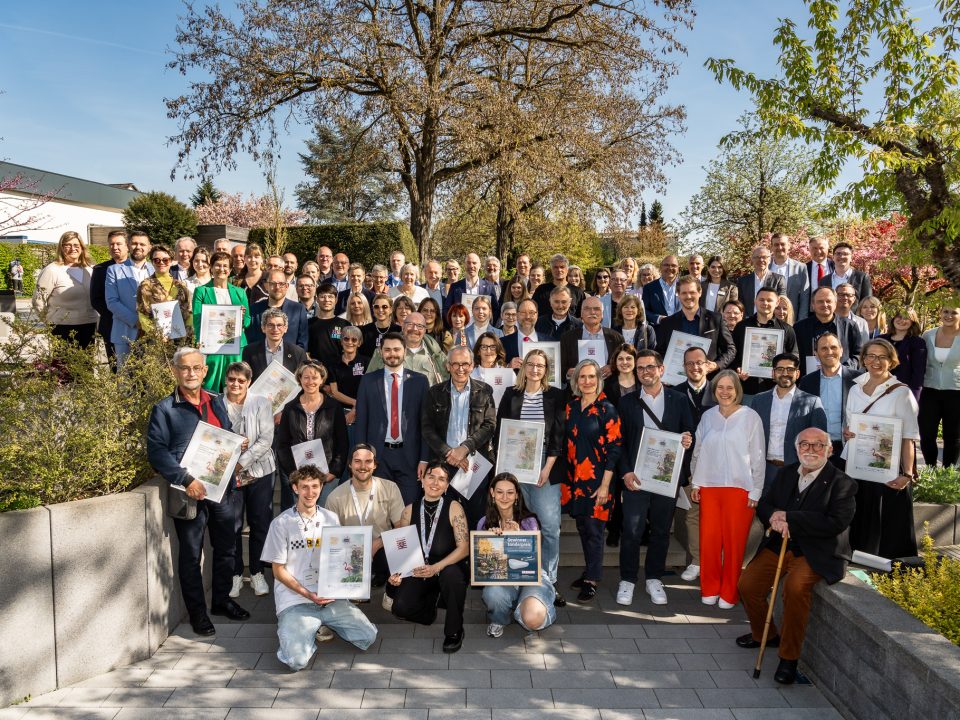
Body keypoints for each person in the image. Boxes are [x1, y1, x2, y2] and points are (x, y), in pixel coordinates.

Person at [737, 427, 857, 685]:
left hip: (815, 550)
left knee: (794, 589)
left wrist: (790, 517)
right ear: (797, 448)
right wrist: (773, 517)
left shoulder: (843, 483)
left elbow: (836, 522)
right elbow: (766, 504)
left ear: (829, 450)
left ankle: (789, 658)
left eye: (818, 445)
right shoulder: (787, 473)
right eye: (805, 444)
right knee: (747, 585)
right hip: (780, 544)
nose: (811, 450)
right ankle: (766, 636)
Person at [146, 347, 250, 636]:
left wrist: (236, 443)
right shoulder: (165, 409)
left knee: (227, 548)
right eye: (184, 368)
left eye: (196, 368)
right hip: (189, 492)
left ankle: (221, 600)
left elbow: (224, 432)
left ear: (205, 371)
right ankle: (198, 613)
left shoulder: (216, 401)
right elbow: (157, 452)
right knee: (192, 555)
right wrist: (186, 479)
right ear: (175, 371)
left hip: (221, 489)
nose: (190, 373)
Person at [261, 465, 378, 670]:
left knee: (367, 636)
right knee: (296, 661)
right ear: (295, 488)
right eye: (304, 487)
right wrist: (308, 594)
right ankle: (302, 630)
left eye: (315, 486)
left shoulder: (330, 518)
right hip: (296, 600)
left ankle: (317, 624)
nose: (310, 492)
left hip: (329, 598)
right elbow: (278, 571)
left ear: (321, 487)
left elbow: (341, 557)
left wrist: (351, 584)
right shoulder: (281, 523)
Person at [615, 349, 695, 606]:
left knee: (661, 531)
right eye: (640, 368)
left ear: (661, 369)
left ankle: (654, 578)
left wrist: (687, 440)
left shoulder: (679, 399)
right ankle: (627, 579)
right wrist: (625, 472)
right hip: (636, 478)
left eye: (650, 367)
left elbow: (689, 433)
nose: (645, 372)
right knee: (632, 530)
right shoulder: (627, 403)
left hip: (665, 478)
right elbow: (619, 442)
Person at [495, 349, 566, 606]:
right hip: (514, 464)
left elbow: (559, 435)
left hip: (545, 463)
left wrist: (547, 468)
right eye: (531, 364)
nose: (535, 369)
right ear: (523, 367)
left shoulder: (556, 395)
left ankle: (548, 581)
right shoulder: (511, 394)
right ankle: (515, 579)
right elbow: (501, 431)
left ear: (546, 370)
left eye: (540, 365)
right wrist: (504, 471)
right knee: (513, 523)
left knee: (549, 526)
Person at [690, 370, 765, 608]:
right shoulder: (708, 416)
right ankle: (710, 587)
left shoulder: (750, 417)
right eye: (720, 387)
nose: (724, 392)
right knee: (709, 542)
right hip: (709, 488)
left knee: (734, 544)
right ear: (714, 391)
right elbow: (698, 451)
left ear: (737, 390)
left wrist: (756, 491)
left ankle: (729, 592)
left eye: (729, 387)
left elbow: (758, 457)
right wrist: (695, 482)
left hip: (740, 489)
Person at [842, 339, 920, 558]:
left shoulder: (901, 393)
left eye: (882, 357)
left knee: (888, 529)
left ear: (891, 361)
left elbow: (908, 436)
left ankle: (891, 572)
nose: (876, 361)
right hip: (857, 467)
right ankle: (859, 565)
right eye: (871, 356)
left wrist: (907, 474)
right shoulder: (855, 389)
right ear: (864, 359)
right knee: (861, 521)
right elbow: (850, 425)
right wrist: (848, 432)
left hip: (887, 470)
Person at [387, 462, 470, 653]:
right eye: (431, 477)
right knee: (400, 608)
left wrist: (436, 568)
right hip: (419, 568)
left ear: (447, 485)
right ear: (422, 480)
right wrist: (398, 574)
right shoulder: (408, 511)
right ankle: (429, 609)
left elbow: (464, 548)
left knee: (452, 577)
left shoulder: (454, 507)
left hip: (448, 565)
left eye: (441, 479)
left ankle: (454, 630)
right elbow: (402, 550)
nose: (435, 483)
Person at [562, 359, 622, 601]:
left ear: (599, 380)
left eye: (591, 377)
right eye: (582, 377)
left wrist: (605, 485)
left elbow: (615, 449)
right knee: (582, 527)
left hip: (599, 480)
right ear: (576, 381)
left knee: (594, 530)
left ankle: (592, 579)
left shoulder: (607, 409)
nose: (587, 381)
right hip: (575, 481)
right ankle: (590, 569)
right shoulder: (571, 407)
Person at [421, 346, 497, 526]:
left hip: (474, 464)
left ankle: (473, 546)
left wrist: (464, 448)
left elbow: (490, 425)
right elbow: (427, 428)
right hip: (443, 463)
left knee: (476, 517)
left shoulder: (485, 391)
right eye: (455, 364)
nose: (460, 368)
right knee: (445, 518)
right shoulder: (434, 392)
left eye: (465, 364)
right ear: (448, 366)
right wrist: (449, 453)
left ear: (472, 366)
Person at [354, 333, 430, 504]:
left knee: (408, 508)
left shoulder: (420, 381)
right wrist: (362, 455)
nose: (392, 354)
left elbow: (425, 424)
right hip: (378, 457)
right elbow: (361, 422)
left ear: (405, 351)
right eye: (387, 350)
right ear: (380, 352)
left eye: (396, 349)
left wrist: (424, 458)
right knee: (379, 510)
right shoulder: (368, 381)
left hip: (410, 457)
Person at [479, 473, 557, 637]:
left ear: (516, 496)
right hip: (502, 579)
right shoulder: (484, 523)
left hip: (532, 578)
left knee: (532, 619)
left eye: (510, 492)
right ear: (492, 493)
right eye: (500, 492)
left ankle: (525, 607)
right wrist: (493, 541)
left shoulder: (529, 521)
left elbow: (532, 561)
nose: (504, 497)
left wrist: (518, 535)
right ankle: (499, 619)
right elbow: (485, 569)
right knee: (493, 593)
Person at [222, 361, 276, 599]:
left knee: (259, 522)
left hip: (260, 471)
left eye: (241, 381)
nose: (235, 384)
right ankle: (235, 574)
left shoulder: (261, 402)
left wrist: (241, 462)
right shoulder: (217, 403)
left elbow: (266, 440)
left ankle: (256, 572)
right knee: (233, 524)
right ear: (226, 380)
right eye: (232, 379)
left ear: (249, 382)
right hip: (228, 474)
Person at [325, 444, 405, 588]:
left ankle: (387, 586)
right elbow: (331, 538)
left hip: (380, 549)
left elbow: (401, 526)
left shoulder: (390, 488)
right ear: (350, 464)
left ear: (375, 465)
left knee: (399, 549)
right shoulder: (334, 497)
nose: (363, 466)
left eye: (368, 461)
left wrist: (378, 542)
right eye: (357, 461)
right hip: (350, 552)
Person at [276, 360, 348, 510]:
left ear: (322, 380)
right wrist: (294, 474)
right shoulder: (290, 408)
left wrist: (333, 472)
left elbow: (342, 442)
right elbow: (282, 445)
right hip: (299, 477)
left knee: (324, 517)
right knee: (301, 518)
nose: (310, 382)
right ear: (300, 379)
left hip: (327, 475)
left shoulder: (334, 407)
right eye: (306, 377)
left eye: (314, 377)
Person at [750, 353, 827, 492]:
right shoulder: (758, 401)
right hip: (764, 471)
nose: (785, 373)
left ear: (798, 373)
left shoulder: (812, 402)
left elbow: (820, 443)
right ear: (773, 373)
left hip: (797, 471)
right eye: (780, 369)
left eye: (790, 369)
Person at [674, 346, 715, 583]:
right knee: (693, 515)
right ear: (684, 367)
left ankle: (715, 560)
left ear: (707, 365)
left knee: (716, 515)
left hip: (718, 465)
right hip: (689, 465)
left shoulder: (721, 390)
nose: (695, 367)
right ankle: (697, 561)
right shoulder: (675, 393)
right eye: (690, 363)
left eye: (699, 362)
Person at [797, 332, 863, 462]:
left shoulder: (858, 380)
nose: (829, 352)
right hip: (817, 449)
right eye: (824, 348)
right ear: (816, 354)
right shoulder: (806, 382)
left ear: (841, 350)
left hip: (848, 448)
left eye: (833, 347)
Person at [192, 251, 251, 392]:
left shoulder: (240, 292)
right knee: (210, 383)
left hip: (235, 346)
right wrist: (202, 342)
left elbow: (248, 321)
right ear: (211, 268)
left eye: (225, 266)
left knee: (235, 382)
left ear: (230, 270)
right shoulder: (201, 291)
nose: (221, 269)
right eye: (217, 265)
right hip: (212, 346)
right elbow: (197, 320)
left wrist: (242, 317)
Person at [655, 275, 736, 376]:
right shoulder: (667, 323)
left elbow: (730, 349)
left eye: (692, 292)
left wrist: (716, 365)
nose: (688, 296)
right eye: (684, 293)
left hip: (708, 379)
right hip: (676, 380)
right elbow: (659, 353)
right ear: (678, 295)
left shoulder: (716, 319)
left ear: (700, 292)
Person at [731, 287, 799, 396]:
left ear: (777, 302)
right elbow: (732, 354)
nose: (765, 303)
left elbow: (794, 357)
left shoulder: (787, 330)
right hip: (746, 388)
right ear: (755, 301)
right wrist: (737, 369)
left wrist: (782, 372)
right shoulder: (741, 327)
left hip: (776, 391)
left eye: (769, 300)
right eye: (761, 300)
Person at [919, 304, 960, 467]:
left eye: (954, 313)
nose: (949, 316)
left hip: (956, 391)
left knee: (953, 436)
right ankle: (931, 468)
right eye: (945, 312)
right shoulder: (928, 335)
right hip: (929, 390)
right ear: (940, 313)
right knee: (927, 434)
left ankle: (947, 473)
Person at [105, 231, 154, 364]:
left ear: (149, 247)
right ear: (128, 245)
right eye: (134, 243)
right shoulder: (114, 270)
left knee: (151, 374)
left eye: (142, 244)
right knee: (125, 374)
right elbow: (112, 302)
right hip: (125, 331)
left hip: (152, 333)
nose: (138, 247)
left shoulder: (156, 269)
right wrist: (136, 321)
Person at [792, 287, 863, 376]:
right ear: (813, 305)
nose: (825, 304)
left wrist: (844, 369)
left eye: (828, 301)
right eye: (820, 301)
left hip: (843, 379)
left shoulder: (850, 326)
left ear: (835, 303)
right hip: (808, 380)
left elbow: (859, 354)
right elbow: (794, 355)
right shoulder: (799, 328)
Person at [136, 245, 193, 345]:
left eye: (165, 260)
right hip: (156, 341)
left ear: (171, 261)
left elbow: (189, 311)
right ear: (152, 262)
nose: (161, 263)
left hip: (180, 339)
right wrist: (157, 334)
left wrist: (187, 332)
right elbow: (142, 314)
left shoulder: (181, 285)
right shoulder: (146, 285)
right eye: (157, 260)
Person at [559, 296, 624, 380]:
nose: (592, 312)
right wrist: (568, 373)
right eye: (587, 309)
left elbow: (623, 364)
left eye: (596, 309)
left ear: (602, 314)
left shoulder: (616, 338)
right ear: (581, 313)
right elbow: (560, 368)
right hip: (577, 386)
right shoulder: (567, 338)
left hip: (608, 387)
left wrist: (613, 368)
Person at [90, 230, 129, 362]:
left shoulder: (138, 268)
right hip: (111, 325)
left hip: (135, 326)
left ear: (127, 246)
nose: (115, 247)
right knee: (116, 366)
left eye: (119, 244)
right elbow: (96, 299)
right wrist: (119, 314)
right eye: (111, 244)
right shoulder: (100, 270)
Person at [247, 269, 309, 349]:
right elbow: (250, 341)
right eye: (273, 283)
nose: (277, 287)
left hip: (290, 356)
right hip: (260, 356)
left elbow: (302, 342)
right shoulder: (254, 309)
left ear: (287, 286)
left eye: (281, 284)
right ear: (266, 286)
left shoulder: (298, 310)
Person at [241, 307, 308, 381]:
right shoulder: (249, 351)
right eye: (270, 325)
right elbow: (245, 379)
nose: (275, 329)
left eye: (279, 325)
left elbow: (302, 380)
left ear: (285, 328)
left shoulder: (298, 353)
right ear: (263, 328)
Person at [327, 325, 370, 430]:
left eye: (354, 339)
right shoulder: (333, 363)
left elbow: (369, 390)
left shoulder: (367, 362)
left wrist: (356, 409)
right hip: (339, 412)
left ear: (359, 343)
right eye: (346, 339)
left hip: (364, 411)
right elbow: (334, 392)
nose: (350, 342)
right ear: (341, 341)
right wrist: (355, 402)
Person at [880, 305, 925, 399]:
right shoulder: (880, 340)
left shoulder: (917, 342)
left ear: (912, 321)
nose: (902, 320)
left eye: (906, 318)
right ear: (893, 319)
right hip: (880, 389)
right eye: (899, 317)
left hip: (904, 391)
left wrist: (913, 395)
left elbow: (918, 372)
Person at [306, 283, 349, 369]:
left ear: (336, 300)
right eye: (322, 297)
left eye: (330, 297)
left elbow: (349, 350)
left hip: (339, 371)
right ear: (317, 299)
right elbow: (306, 350)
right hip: (316, 371)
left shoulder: (345, 324)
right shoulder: (309, 323)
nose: (326, 300)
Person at [447, 253, 500, 320]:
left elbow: (495, 310)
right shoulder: (455, 287)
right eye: (468, 263)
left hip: (483, 326)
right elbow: (447, 309)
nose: (471, 266)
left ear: (479, 265)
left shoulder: (489, 287)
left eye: (474, 263)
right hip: (461, 326)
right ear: (464, 265)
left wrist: (488, 323)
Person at [735, 246, 786, 316]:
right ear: (752, 260)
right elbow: (740, 304)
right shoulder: (743, 281)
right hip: (749, 320)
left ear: (769, 260)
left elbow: (781, 302)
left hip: (770, 320)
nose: (761, 260)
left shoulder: (779, 280)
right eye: (757, 257)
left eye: (764, 257)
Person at [531, 254, 585, 319]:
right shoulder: (541, 290)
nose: (559, 270)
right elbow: (532, 312)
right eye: (555, 267)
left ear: (567, 269)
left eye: (562, 267)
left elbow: (582, 316)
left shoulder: (578, 292)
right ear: (551, 269)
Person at [641, 255, 681, 324]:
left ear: (678, 269)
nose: (670, 268)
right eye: (666, 265)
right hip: (658, 328)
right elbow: (644, 310)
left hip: (681, 328)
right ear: (660, 267)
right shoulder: (649, 288)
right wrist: (658, 318)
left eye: (673, 265)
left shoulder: (684, 286)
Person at [504, 298, 540, 366]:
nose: (527, 317)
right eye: (523, 313)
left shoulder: (550, 341)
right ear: (517, 315)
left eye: (531, 312)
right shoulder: (503, 343)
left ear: (537, 315)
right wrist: (508, 367)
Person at [602, 343, 639, 407]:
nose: (624, 362)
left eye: (628, 358)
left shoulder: (643, 381)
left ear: (635, 360)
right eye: (620, 359)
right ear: (615, 361)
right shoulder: (606, 385)